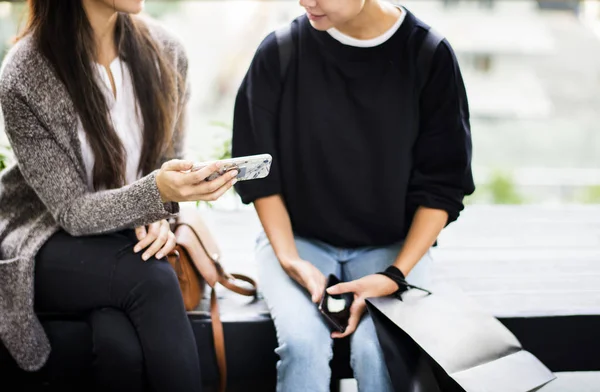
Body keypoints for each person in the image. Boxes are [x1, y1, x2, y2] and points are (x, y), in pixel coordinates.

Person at [232, 0, 475, 390]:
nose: (305, 2)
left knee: (378, 352)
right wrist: (290, 259)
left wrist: (395, 275)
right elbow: (260, 176)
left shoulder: (428, 54)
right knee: (302, 347)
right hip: (297, 241)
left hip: (393, 249)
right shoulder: (280, 51)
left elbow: (443, 186)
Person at [0, 0, 238, 391]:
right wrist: (155, 194)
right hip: (47, 239)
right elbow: (71, 211)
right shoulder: (26, 72)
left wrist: (161, 212)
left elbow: (167, 160)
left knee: (119, 346)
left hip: (125, 238)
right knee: (153, 281)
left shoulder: (167, 50)